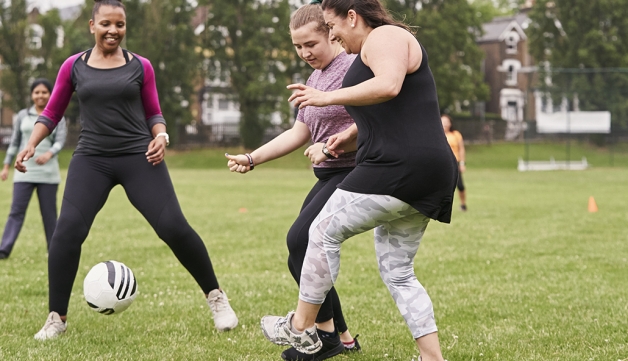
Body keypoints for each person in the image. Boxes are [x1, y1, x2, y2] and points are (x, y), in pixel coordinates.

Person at [15, 0, 237, 340]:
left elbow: (154, 112)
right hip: (91, 159)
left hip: (139, 157)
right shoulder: (73, 66)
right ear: (92, 25)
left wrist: (160, 136)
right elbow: (52, 112)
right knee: (66, 233)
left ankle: (216, 298)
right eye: (106, 23)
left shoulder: (141, 66)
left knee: (174, 227)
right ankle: (56, 318)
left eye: (119, 24)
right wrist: (31, 142)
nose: (113, 30)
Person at [259, 1, 458, 360]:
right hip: (424, 171)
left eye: (333, 25)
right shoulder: (373, 49)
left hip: (398, 167)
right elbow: (389, 109)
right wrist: (346, 139)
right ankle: (432, 357)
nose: (331, 33)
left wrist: (325, 98)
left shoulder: (385, 36)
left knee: (320, 232)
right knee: (398, 271)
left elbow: (389, 86)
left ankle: (301, 326)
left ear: (352, 16)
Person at [226, 2, 360, 360]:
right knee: (301, 253)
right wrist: (252, 158)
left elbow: (371, 121)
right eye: (297, 47)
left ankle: (326, 337)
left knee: (300, 241)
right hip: (328, 174)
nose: (304, 53)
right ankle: (341, 336)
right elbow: (297, 132)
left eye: (310, 45)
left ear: (331, 33)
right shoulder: (314, 79)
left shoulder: (351, 67)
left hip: (353, 170)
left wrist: (331, 148)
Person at [0, 79, 67, 260]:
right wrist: (6, 166)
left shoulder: (57, 115)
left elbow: (61, 140)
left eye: (44, 92)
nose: (40, 95)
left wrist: (49, 154)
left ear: (50, 94)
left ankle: (54, 250)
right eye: (37, 92)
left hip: (48, 174)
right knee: (16, 211)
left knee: (49, 214)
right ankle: (4, 249)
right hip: (24, 172)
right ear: (32, 95)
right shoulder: (23, 115)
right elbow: (15, 143)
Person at [441, 114, 467, 211]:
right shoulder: (437, 134)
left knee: (460, 185)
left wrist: (462, 163)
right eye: (443, 122)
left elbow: (461, 149)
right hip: (442, 164)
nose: (445, 124)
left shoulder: (456, 134)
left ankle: (463, 204)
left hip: (454, 163)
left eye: (447, 122)